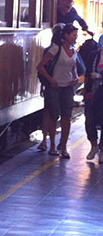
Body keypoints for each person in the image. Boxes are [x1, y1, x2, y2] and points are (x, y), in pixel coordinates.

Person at [37, 23, 81, 158]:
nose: (76, 38)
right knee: (53, 116)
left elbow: (74, 68)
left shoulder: (74, 51)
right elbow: (40, 66)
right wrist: (51, 80)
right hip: (54, 87)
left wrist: (76, 78)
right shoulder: (56, 49)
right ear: (66, 36)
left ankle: (64, 146)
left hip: (68, 87)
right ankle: (52, 146)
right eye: (74, 35)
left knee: (67, 117)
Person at [82, 32, 103, 161]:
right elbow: (87, 73)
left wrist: (100, 76)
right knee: (89, 120)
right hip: (92, 92)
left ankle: (102, 151)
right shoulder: (93, 56)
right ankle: (93, 145)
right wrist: (85, 89)